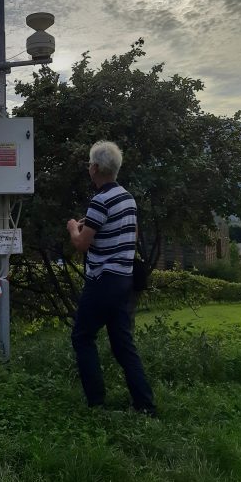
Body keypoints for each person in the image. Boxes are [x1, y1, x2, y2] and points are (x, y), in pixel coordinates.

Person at [67, 140, 156, 416]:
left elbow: (82, 244)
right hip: (124, 281)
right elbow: (126, 230)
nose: (88, 168)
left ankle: (96, 403)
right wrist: (90, 224)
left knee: (82, 337)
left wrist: (73, 228)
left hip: (102, 281)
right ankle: (145, 406)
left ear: (95, 168)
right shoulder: (127, 197)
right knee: (123, 344)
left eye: (89, 164)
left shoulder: (99, 201)